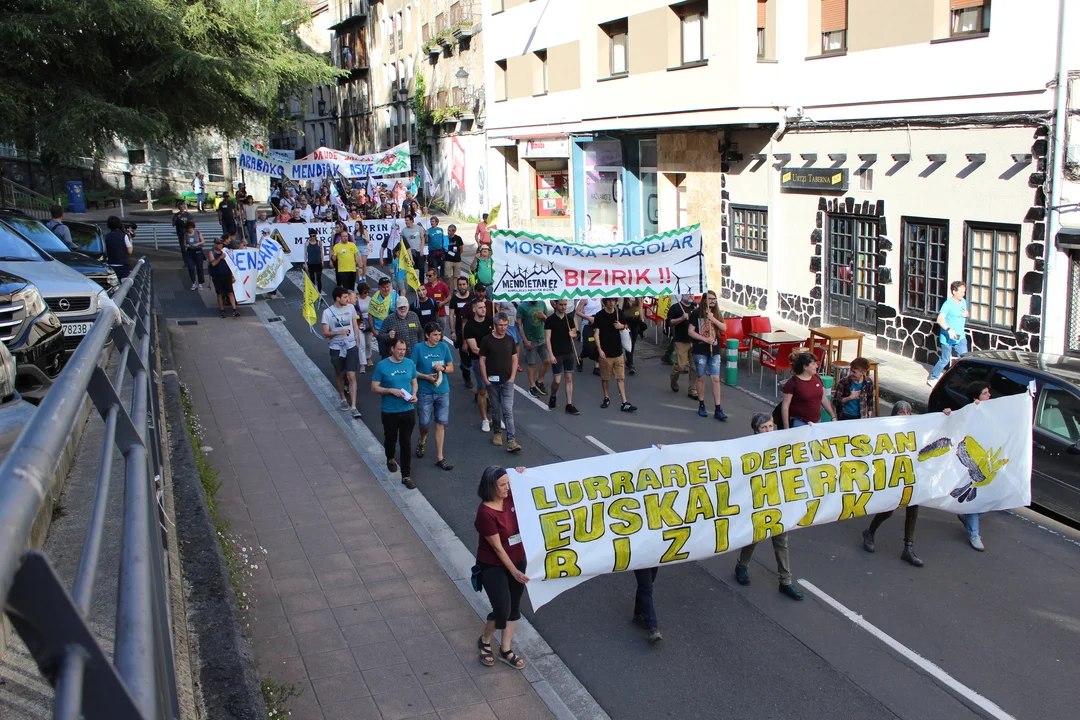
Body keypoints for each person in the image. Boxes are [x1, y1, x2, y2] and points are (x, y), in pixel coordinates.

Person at [734, 413, 804, 601]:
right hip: (757, 500)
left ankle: (785, 581)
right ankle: (742, 566)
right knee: (754, 537)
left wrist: (813, 429)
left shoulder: (781, 443)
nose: (768, 430)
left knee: (781, 541)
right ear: (756, 431)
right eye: (764, 427)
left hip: (777, 499)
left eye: (771, 426)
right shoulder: (747, 447)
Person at [862, 401, 932, 567]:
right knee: (888, 509)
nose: (905, 415)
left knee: (913, 509)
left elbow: (934, 431)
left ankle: (908, 548)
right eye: (901, 412)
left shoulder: (916, 429)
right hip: (893, 476)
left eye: (908, 412)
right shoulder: (886, 430)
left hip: (910, 475)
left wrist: (946, 415)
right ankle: (870, 532)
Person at [474, 465, 529, 670]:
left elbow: (531, 489)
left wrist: (521, 473)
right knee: (502, 609)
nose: (507, 488)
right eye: (502, 485)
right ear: (491, 486)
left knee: (514, 607)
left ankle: (505, 649)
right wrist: (514, 571)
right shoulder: (485, 513)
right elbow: (497, 548)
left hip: (518, 560)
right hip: (493, 566)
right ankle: (485, 640)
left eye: (508, 483)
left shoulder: (511, 497)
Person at [371, 336, 419, 489]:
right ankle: (390, 457)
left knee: (406, 442)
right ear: (392, 349)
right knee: (391, 438)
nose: (402, 352)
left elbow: (414, 382)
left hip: (407, 409)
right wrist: (390, 390)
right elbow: (374, 387)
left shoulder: (409, 363)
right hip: (390, 411)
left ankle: (406, 475)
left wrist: (414, 394)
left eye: (404, 350)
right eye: (399, 349)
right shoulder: (382, 365)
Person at [412, 322, 455, 471]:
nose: (438, 337)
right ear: (427, 335)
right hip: (425, 391)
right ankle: (422, 440)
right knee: (424, 423)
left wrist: (443, 368)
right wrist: (425, 377)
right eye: (434, 335)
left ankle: (440, 457)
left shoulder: (443, 347)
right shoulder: (418, 348)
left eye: (439, 334)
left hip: (442, 390)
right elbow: (412, 369)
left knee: (441, 423)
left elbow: (451, 367)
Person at [480, 312, 522, 452]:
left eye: (505, 325)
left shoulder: (510, 339)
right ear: (495, 325)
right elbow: (482, 360)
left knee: (508, 410)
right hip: (492, 381)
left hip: (507, 381)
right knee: (495, 408)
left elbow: (515, 359)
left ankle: (511, 440)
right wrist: (485, 379)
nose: (503, 328)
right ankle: (497, 433)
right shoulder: (486, 340)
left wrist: (512, 377)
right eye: (500, 325)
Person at [959, 381, 992, 551]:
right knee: (975, 497)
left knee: (993, 497)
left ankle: (968, 516)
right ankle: (974, 533)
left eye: (988, 392)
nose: (989, 396)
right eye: (985, 393)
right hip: (972, 461)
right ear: (975, 398)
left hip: (987, 461)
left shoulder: (991, 411)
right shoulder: (968, 412)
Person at [322, 287, 363, 419]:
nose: (348, 299)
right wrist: (338, 332)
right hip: (336, 348)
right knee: (340, 374)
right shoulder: (327, 313)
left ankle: (354, 406)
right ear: (338, 298)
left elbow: (355, 325)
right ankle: (343, 398)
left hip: (351, 346)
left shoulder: (350, 308)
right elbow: (325, 333)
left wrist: (357, 341)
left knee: (351, 375)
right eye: (345, 297)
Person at [687, 290, 727, 420]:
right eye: (710, 299)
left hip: (714, 351)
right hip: (700, 350)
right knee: (700, 377)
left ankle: (718, 408)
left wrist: (713, 319)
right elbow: (691, 331)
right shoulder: (696, 313)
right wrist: (704, 339)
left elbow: (724, 327)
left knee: (716, 378)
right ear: (704, 300)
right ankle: (702, 404)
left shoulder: (717, 313)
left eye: (714, 299)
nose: (712, 301)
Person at [592, 298, 637, 412]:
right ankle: (606, 397)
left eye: (613, 300)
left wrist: (622, 326)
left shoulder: (619, 313)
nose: (611, 303)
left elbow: (626, 326)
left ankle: (624, 402)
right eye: (609, 300)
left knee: (621, 378)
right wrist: (600, 350)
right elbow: (596, 334)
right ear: (605, 302)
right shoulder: (599, 315)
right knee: (605, 378)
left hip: (618, 352)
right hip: (605, 353)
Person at [927, 281, 970, 386]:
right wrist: (949, 330)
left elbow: (964, 314)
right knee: (945, 359)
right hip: (947, 337)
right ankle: (933, 378)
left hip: (960, 336)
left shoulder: (963, 301)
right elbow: (939, 319)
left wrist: (967, 314)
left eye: (964, 292)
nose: (963, 294)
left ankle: (963, 380)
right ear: (954, 291)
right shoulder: (948, 304)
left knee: (965, 359)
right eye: (961, 292)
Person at [464, 298, 495, 433]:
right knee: (482, 390)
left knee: (495, 390)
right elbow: (474, 348)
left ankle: (496, 417)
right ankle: (485, 419)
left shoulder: (491, 321)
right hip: (479, 361)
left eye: (484, 307)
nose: (483, 309)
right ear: (474, 309)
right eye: (480, 307)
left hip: (494, 361)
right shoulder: (470, 326)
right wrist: (489, 354)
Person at [544, 299, 580, 415]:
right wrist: (551, 354)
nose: (563, 307)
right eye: (561, 305)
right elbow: (547, 339)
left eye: (565, 305)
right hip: (557, 354)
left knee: (569, 379)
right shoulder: (550, 320)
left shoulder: (569, 319)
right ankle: (553, 395)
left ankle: (569, 404)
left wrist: (573, 334)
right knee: (557, 381)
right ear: (555, 305)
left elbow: (574, 334)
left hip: (568, 352)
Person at [780, 352, 833, 428]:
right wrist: (787, 428)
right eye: (813, 364)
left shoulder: (817, 378)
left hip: (817, 421)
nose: (816, 366)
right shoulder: (792, 383)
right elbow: (785, 406)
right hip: (799, 423)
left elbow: (823, 398)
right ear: (805, 367)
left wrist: (833, 416)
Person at [667, 294, 699, 398]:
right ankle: (674, 379)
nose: (691, 295)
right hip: (681, 340)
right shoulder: (676, 307)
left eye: (692, 293)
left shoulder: (696, 307)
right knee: (680, 366)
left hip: (695, 341)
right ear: (683, 294)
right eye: (688, 293)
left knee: (695, 367)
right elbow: (669, 322)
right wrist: (681, 318)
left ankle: (692, 389)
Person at [517, 300, 550, 397]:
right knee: (532, 364)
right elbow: (519, 325)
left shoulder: (542, 303)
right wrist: (525, 340)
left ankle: (539, 382)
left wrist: (543, 317)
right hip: (530, 340)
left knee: (547, 360)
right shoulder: (522, 307)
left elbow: (548, 322)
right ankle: (532, 386)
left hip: (541, 338)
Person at [449, 276, 477, 389]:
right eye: (460, 285)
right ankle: (467, 377)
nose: (462, 287)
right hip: (461, 331)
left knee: (474, 353)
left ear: (468, 285)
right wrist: (452, 331)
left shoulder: (473, 297)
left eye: (464, 284)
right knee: (464, 353)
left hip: (474, 330)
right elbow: (451, 315)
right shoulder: (454, 299)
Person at [207, 238, 239, 318]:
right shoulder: (212, 252)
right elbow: (213, 263)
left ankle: (234, 309)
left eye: (221, 244)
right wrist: (220, 258)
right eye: (218, 244)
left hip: (227, 275)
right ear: (215, 244)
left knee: (230, 292)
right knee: (219, 293)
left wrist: (232, 275)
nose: (220, 245)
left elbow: (231, 263)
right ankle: (222, 309)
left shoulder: (225, 251)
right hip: (217, 276)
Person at [368, 277, 398, 359]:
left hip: (394, 329)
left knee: (395, 352)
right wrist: (373, 330)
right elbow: (370, 314)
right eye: (383, 287)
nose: (386, 289)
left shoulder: (395, 296)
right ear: (379, 287)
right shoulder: (375, 299)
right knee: (384, 354)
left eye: (388, 286)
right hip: (380, 331)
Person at [575, 297, 602, 375]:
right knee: (588, 345)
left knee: (597, 344)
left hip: (597, 324)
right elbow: (577, 311)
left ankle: (596, 367)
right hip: (587, 324)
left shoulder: (599, 297)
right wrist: (588, 318)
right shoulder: (585, 299)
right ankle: (580, 358)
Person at [423, 268, 452, 338]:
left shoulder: (443, 285)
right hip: (429, 315)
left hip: (441, 315)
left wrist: (442, 303)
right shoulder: (424, 286)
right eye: (427, 275)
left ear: (435, 276)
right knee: (429, 335)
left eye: (430, 276)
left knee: (440, 335)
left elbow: (449, 297)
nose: (428, 277)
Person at [103, 215, 133, 280]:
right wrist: (131, 240)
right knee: (125, 284)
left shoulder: (107, 236)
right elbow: (129, 251)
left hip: (111, 265)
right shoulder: (124, 236)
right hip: (123, 265)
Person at [621, 297, 646, 375]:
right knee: (629, 342)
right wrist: (621, 322)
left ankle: (628, 361)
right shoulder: (623, 296)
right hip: (627, 321)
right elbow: (620, 309)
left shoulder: (638, 295)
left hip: (636, 321)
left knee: (633, 343)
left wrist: (642, 320)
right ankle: (631, 365)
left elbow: (640, 307)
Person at [353, 283, 372, 371]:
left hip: (368, 322)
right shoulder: (356, 300)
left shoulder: (370, 299)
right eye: (365, 292)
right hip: (359, 322)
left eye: (368, 292)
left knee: (368, 343)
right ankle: (362, 363)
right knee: (361, 344)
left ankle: (368, 357)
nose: (366, 294)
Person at [183, 221, 206, 290]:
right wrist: (187, 245)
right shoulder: (186, 234)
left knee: (199, 268)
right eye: (188, 228)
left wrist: (198, 244)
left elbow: (203, 241)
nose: (190, 230)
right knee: (191, 268)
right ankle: (193, 282)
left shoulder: (197, 233)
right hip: (190, 252)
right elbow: (184, 243)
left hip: (198, 251)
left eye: (191, 228)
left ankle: (200, 283)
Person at [304, 229, 324, 294]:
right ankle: (313, 292)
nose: (312, 237)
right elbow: (305, 254)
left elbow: (321, 252)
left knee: (319, 278)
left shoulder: (319, 243)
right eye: (311, 236)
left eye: (313, 236)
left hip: (318, 263)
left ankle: (319, 292)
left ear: (316, 236)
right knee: (312, 278)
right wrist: (305, 263)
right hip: (311, 263)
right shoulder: (307, 243)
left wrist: (322, 261)